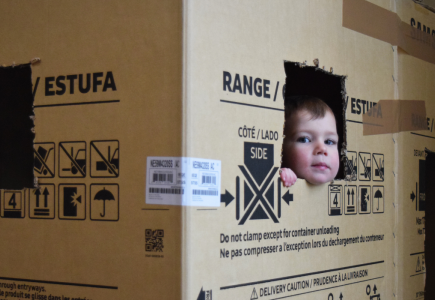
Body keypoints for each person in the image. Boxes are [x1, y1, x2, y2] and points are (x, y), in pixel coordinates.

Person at [280, 95, 339, 187]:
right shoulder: (282, 175)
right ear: (281, 149)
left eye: (329, 141)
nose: (322, 148)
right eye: (305, 139)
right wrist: (280, 176)